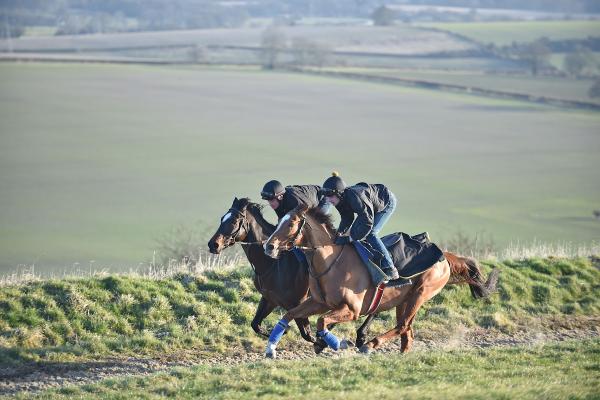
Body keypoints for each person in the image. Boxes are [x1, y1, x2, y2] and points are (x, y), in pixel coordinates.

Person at [320, 172, 399, 281]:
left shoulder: (356, 197)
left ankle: (391, 268)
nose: (328, 200)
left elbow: (367, 223)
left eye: (330, 196)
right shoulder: (341, 200)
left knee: (371, 233)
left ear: (339, 194)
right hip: (369, 206)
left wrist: (350, 238)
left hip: (386, 202)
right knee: (355, 231)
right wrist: (339, 233)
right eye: (327, 197)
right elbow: (347, 218)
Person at [260, 180, 330, 220]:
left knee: (315, 221)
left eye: (271, 200)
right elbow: (282, 221)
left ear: (280, 197)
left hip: (323, 199)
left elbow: (307, 219)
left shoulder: (295, 201)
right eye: (268, 200)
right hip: (306, 198)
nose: (270, 203)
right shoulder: (278, 203)